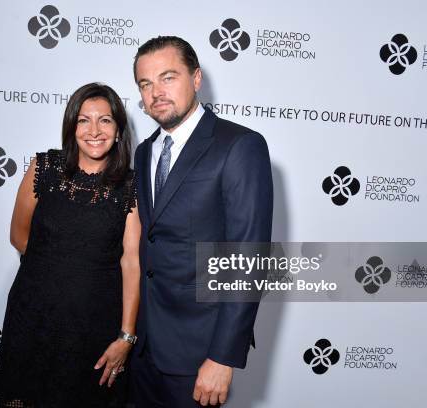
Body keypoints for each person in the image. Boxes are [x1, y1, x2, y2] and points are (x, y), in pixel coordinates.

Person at [131, 36, 273, 407]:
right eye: (145, 84)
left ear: (196, 79)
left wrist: (223, 356)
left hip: (199, 352)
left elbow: (249, 258)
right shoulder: (144, 151)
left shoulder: (239, 145)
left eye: (167, 77)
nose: (156, 92)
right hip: (143, 351)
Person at [0, 83, 141, 408]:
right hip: (33, 318)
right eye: (84, 120)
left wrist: (126, 336)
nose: (94, 130)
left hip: (94, 328)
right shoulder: (44, 167)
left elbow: (131, 263)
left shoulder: (130, 186)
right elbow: (19, 235)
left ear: (118, 131)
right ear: (71, 127)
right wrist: (58, 273)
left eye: (105, 120)